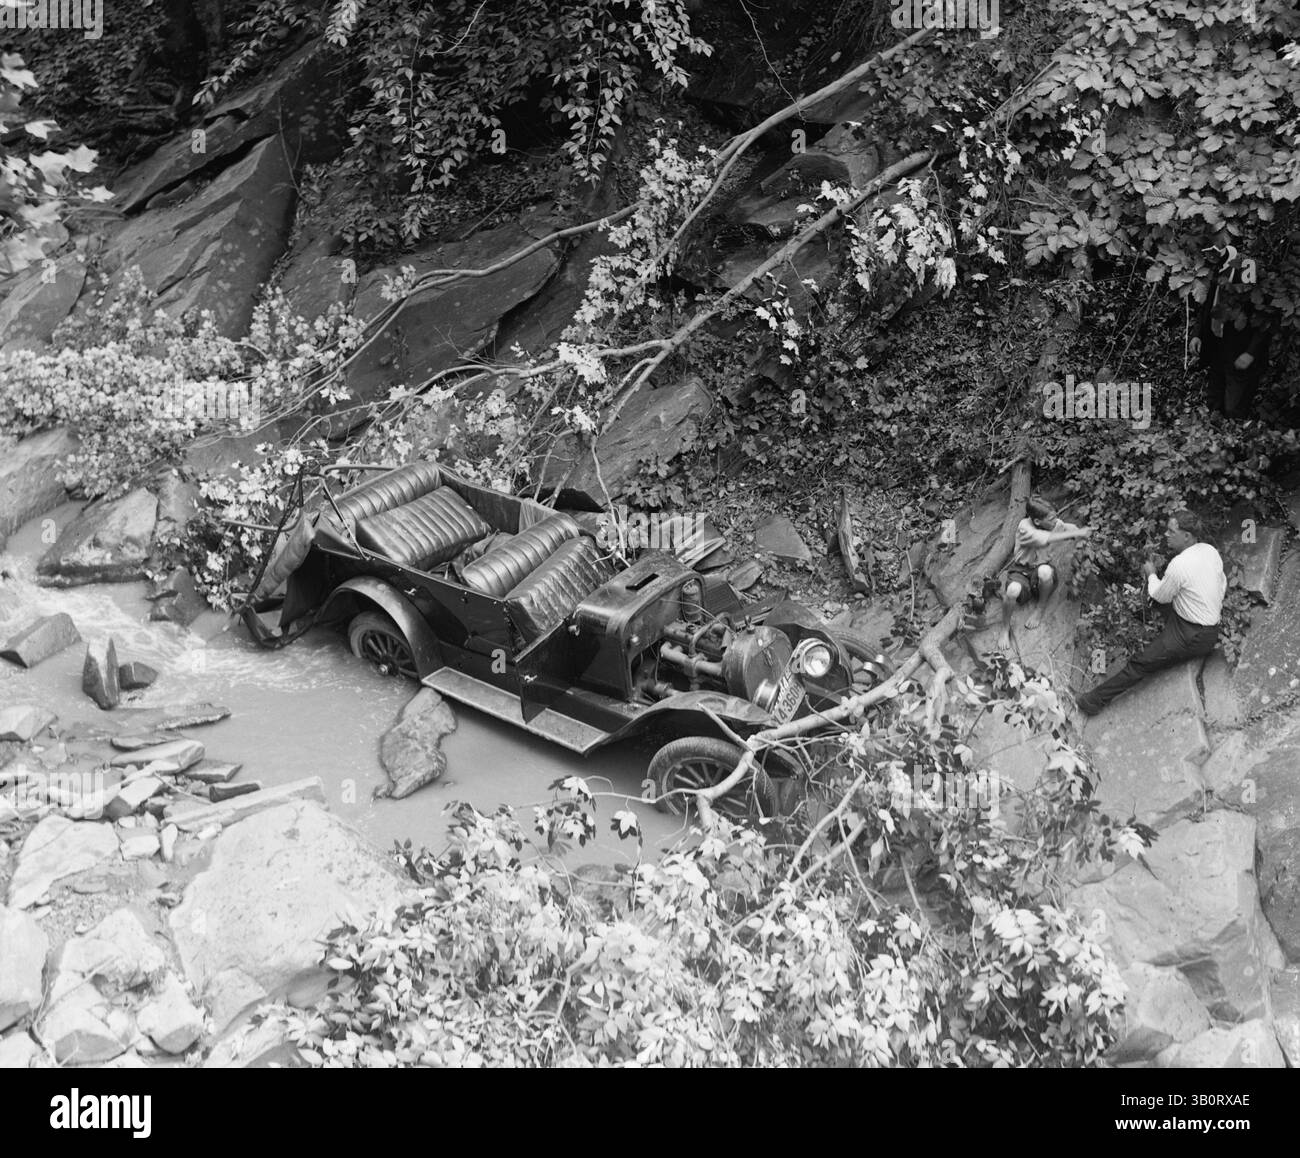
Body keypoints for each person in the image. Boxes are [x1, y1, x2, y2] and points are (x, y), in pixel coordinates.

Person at [1075, 509, 1225, 716]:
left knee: (1141, 663)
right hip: (1201, 623)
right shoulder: (1209, 550)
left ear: (1187, 536)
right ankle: (1143, 618)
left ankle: (1092, 702)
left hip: (1193, 634)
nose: (1166, 535)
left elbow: (1161, 596)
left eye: (1171, 532)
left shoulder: (1180, 564)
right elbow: (1221, 584)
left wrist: (1152, 574)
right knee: (1154, 604)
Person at [998, 496, 1092, 650]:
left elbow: (1070, 528)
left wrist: (1083, 532)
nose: (1056, 521)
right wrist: (1074, 533)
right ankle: (1004, 628)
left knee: (1045, 571)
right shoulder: (1025, 527)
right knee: (1012, 590)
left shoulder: (1055, 524)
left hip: (1041, 567)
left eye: (1055, 517)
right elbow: (1043, 539)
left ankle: (1040, 608)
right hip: (1021, 570)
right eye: (1051, 519)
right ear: (1037, 521)